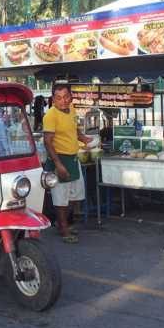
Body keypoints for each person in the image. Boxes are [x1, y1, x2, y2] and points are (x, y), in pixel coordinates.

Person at [43, 83, 95, 244]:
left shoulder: (71, 109)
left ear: (71, 97)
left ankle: (62, 223)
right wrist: (58, 164)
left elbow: (74, 129)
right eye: (58, 98)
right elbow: (47, 142)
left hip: (73, 158)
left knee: (75, 195)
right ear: (53, 99)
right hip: (60, 159)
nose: (63, 101)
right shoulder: (50, 116)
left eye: (66, 97)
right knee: (61, 198)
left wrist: (84, 138)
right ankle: (64, 230)